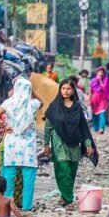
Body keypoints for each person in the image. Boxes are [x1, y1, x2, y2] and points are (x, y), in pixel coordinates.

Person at [0, 75, 43, 212]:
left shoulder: (9, 103)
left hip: (11, 144)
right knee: (28, 178)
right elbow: (41, 101)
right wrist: (31, 91)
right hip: (28, 147)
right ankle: (26, 207)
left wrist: (3, 126)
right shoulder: (33, 104)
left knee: (8, 176)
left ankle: (7, 206)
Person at [44, 79, 97, 208]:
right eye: (63, 88)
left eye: (68, 89)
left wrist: (88, 143)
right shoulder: (54, 107)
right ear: (60, 90)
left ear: (73, 91)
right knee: (64, 171)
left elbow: (83, 127)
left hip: (74, 144)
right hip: (59, 143)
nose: (66, 91)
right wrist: (46, 144)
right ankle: (69, 199)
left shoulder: (77, 107)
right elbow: (47, 127)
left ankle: (64, 196)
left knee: (72, 172)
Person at [88, 66, 109, 134]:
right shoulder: (92, 81)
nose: (101, 73)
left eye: (102, 72)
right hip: (94, 98)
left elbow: (104, 88)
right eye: (99, 72)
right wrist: (89, 100)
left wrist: (100, 80)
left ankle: (101, 128)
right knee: (94, 113)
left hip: (102, 98)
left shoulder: (105, 79)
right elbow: (90, 91)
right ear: (97, 72)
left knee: (102, 113)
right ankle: (96, 128)